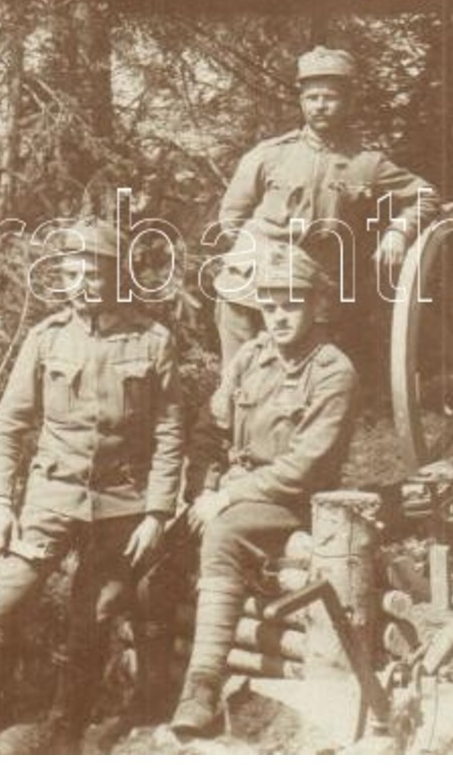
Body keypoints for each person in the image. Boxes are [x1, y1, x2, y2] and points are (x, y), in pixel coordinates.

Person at [0, 217, 185, 754]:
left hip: (120, 504)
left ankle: (67, 730)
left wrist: (155, 513)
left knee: (98, 612)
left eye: (94, 272)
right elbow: (10, 427)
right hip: (52, 495)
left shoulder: (153, 342)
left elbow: (171, 434)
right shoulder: (45, 339)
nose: (81, 282)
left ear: (117, 275)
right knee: (6, 601)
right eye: (70, 271)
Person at [169, 241, 359, 737]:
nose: (277, 316)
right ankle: (146, 691)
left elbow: (305, 466)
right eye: (268, 306)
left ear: (319, 304)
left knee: (225, 533)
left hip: (292, 502)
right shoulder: (251, 358)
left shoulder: (333, 370)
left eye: (291, 303)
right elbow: (209, 429)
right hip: (236, 490)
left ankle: (202, 686)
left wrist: (226, 499)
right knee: (160, 546)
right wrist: (203, 487)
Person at [212, 45, 438, 370]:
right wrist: (260, 259)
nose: (320, 106)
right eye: (311, 97)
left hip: (313, 290)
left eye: (330, 98)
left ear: (348, 102)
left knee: (302, 379)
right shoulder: (269, 154)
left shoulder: (367, 163)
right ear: (301, 100)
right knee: (238, 378)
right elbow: (231, 218)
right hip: (248, 286)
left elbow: (426, 195)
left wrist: (399, 232)